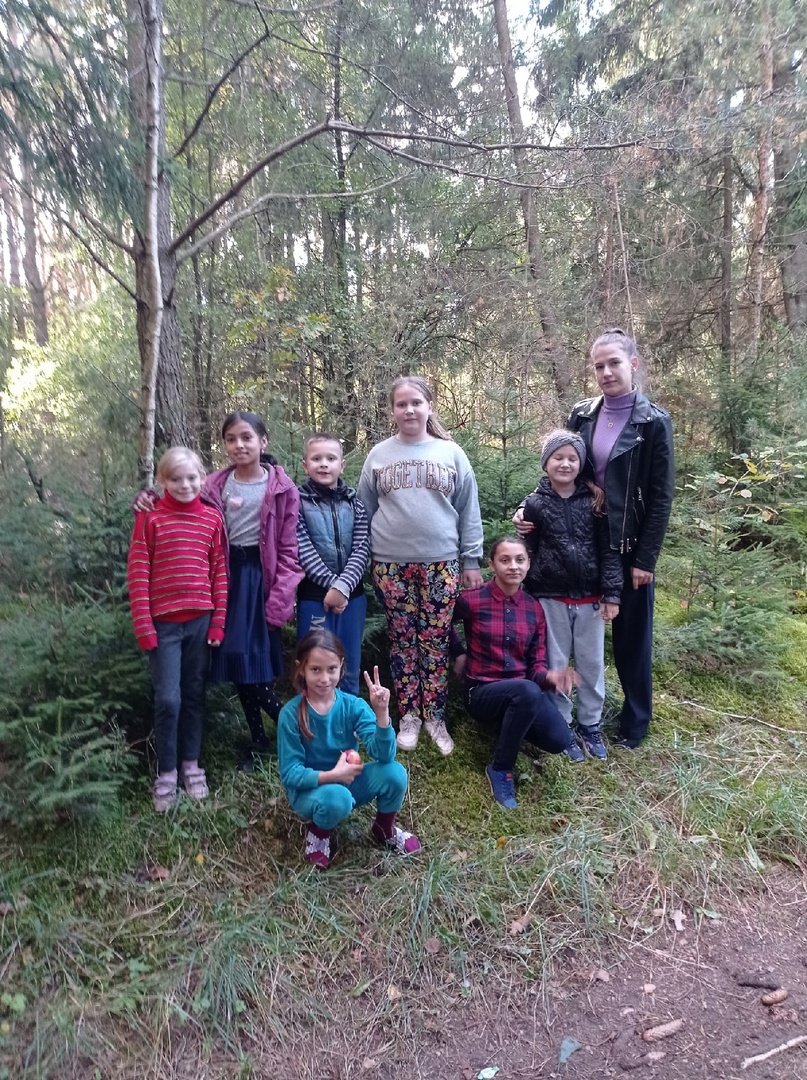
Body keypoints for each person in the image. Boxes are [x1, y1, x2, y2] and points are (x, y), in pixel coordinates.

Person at [514, 328, 674, 749]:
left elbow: (661, 496)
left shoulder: (653, 422)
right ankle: (567, 717)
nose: (606, 372)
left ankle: (634, 723)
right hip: (583, 538)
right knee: (579, 638)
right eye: (599, 366)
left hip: (629, 547)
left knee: (631, 638)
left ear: (632, 364)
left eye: (614, 363)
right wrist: (529, 507)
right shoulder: (583, 415)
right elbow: (561, 466)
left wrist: (646, 559)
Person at [133, 411, 303, 770]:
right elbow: (179, 495)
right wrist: (148, 495)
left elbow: (289, 551)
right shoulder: (213, 485)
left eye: (246, 437)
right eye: (231, 439)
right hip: (226, 581)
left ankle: (300, 732)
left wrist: (280, 599)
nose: (239, 445)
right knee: (237, 664)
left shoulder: (282, 488)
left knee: (255, 668)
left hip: (261, 583)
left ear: (263, 441)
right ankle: (260, 739)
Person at [357, 376, 484, 757]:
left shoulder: (451, 453)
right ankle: (409, 716)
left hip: (440, 565)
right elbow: (364, 511)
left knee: (435, 640)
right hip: (390, 566)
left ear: (429, 406)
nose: (409, 410)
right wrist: (363, 560)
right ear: (392, 410)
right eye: (402, 404)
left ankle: (435, 717)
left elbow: (468, 509)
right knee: (402, 642)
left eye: (416, 402)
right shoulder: (379, 455)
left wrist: (471, 559)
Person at [127, 447, 228, 812]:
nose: (185, 485)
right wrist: (144, 625)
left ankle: (191, 766)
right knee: (169, 699)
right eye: (175, 479)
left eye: (191, 478)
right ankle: (166, 772)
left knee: (194, 694)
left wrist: (218, 621)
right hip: (163, 626)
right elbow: (138, 571)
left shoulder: (211, 518)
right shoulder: (150, 518)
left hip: (201, 622)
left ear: (203, 478)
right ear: (162, 481)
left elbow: (219, 571)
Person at [451, 537, 581, 809]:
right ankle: (501, 768)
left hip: (524, 692)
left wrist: (550, 678)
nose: (513, 566)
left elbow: (535, 667)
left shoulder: (534, 609)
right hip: (482, 692)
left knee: (559, 740)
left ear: (528, 564)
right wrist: (458, 653)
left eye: (520, 560)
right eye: (505, 560)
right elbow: (440, 622)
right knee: (527, 691)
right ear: (492, 565)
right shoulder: (472, 600)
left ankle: (512, 722)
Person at [278, 629, 421, 870]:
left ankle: (384, 829)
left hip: (347, 782)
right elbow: (291, 774)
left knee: (395, 773)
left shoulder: (352, 705)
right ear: (301, 669)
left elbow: (384, 755)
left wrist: (382, 714)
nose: (325, 678)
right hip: (310, 791)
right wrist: (332, 776)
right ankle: (318, 833)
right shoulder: (291, 714)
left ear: (341, 667)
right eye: (316, 670)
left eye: (331, 669)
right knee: (338, 798)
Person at [521, 430, 623, 761]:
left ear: (581, 464)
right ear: (546, 462)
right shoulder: (535, 504)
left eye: (572, 458)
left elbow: (609, 550)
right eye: (558, 457)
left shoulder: (595, 501)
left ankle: (590, 725)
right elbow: (527, 549)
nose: (565, 464)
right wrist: (527, 593)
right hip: (550, 598)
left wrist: (612, 593)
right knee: (556, 663)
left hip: (591, 599)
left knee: (591, 665)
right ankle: (561, 726)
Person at [296, 433, 370, 696]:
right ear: (305, 465)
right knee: (314, 663)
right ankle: (312, 717)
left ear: (342, 465)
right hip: (314, 597)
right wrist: (332, 586)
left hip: (353, 598)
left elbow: (362, 548)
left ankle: (348, 716)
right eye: (316, 459)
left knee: (348, 665)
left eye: (331, 458)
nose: (324, 464)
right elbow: (302, 549)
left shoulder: (355, 504)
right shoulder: (296, 503)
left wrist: (343, 588)